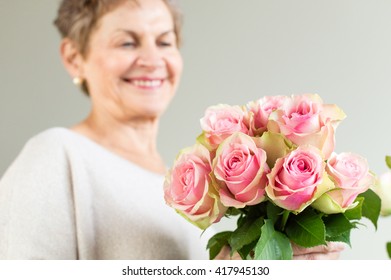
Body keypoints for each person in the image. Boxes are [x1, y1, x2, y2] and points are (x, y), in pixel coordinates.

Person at [0, 0, 344, 260]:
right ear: (75, 57)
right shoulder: (57, 155)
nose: (152, 60)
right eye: (127, 43)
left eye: (164, 42)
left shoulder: (192, 189)